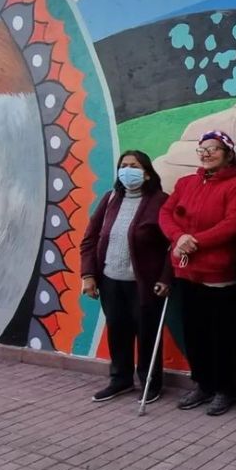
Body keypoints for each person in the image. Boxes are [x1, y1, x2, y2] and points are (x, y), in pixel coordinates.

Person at [159, 131, 236, 416]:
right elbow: (166, 213)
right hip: (187, 272)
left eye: (214, 149)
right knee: (194, 332)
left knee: (220, 335)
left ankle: (225, 389)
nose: (207, 153)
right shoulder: (186, 183)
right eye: (203, 149)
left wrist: (194, 241)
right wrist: (178, 237)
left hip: (219, 274)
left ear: (227, 154)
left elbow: (233, 224)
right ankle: (202, 384)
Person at [80, 150, 172, 403]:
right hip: (110, 280)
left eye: (134, 165)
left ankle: (150, 383)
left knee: (147, 334)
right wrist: (88, 275)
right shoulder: (110, 199)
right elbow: (89, 238)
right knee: (117, 331)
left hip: (145, 284)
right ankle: (120, 380)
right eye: (124, 165)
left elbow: (171, 245)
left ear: (147, 172)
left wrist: (165, 278)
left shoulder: (161, 201)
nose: (127, 170)